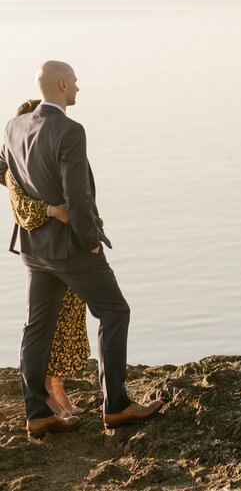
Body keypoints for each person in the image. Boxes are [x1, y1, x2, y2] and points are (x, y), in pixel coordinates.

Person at [1, 61, 163, 437]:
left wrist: (36, 207)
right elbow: (78, 194)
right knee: (114, 312)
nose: (78, 87)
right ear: (61, 84)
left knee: (36, 327)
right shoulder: (70, 130)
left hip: (32, 247)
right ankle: (117, 405)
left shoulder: (14, 126)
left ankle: (37, 413)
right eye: (74, 82)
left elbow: (5, 171)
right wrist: (90, 242)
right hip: (71, 249)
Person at [3, 99, 90, 419]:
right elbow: (21, 201)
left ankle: (56, 388)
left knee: (65, 322)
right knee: (44, 326)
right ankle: (48, 396)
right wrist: (51, 209)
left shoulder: (43, 158)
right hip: (46, 250)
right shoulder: (17, 164)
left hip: (65, 246)